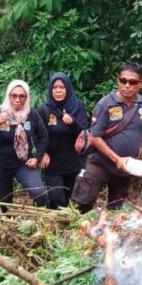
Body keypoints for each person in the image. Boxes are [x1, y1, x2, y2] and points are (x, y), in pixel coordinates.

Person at [71, 62, 142, 213]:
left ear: (141, 83)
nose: (127, 85)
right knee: (83, 205)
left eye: (133, 82)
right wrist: (117, 159)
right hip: (100, 163)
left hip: (126, 167)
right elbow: (95, 137)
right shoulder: (106, 104)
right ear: (118, 80)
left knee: (116, 208)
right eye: (123, 80)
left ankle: (107, 227)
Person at [0, 80, 50, 207]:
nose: (17, 99)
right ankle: (8, 216)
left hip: (23, 164)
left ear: (27, 97)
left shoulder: (31, 114)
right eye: (14, 95)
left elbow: (43, 136)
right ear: (8, 96)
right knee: (6, 203)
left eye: (22, 96)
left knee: (39, 193)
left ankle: (37, 214)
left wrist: (37, 158)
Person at [37, 72, 89, 208]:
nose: (58, 90)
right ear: (50, 89)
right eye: (55, 87)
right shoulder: (44, 110)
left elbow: (85, 132)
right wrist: (42, 153)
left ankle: (65, 221)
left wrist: (73, 122)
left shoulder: (78, 107)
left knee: (70, 201)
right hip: (52, 164)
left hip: (74, 162)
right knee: (56, 199)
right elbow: (38, 135)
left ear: (68, 88)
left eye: (62, 87)